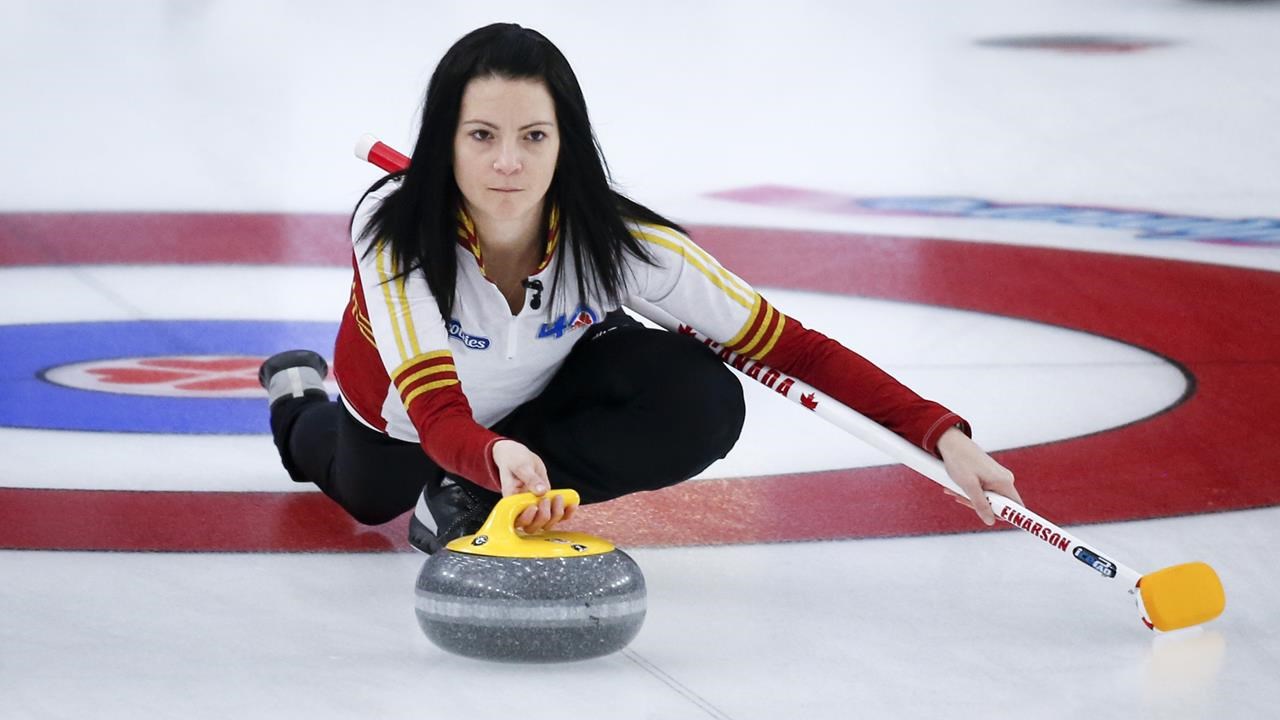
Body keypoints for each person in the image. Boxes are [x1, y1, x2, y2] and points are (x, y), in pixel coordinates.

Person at [260, 23, 1021, 553]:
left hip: (538, 398)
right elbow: (435, 412)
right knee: (361, 495)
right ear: (444, 142)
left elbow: (795, 348)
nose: (508, 165)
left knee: (703, 395)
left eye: (534, 137)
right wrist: (490, 456)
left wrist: (940, 433)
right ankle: (296, 400)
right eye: (481, 136)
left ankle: (477, 499)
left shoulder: (620, 241)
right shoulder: (393, 232)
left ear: (566, 144)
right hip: (404, 420)